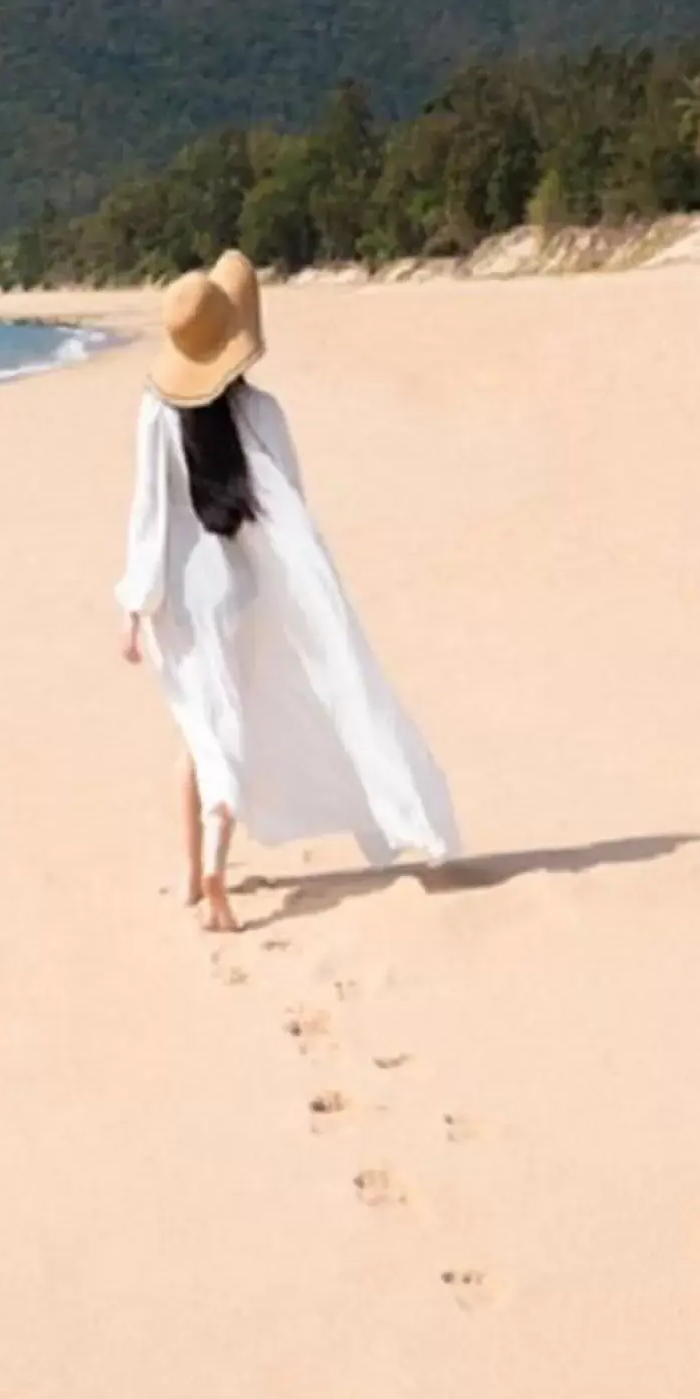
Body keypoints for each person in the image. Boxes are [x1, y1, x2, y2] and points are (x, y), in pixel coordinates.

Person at [115, 250, 458, 933]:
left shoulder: (156, 414)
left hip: (181, 599)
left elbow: (148, 517)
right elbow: (289, 508)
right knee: (226, 726)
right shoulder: (262, 413)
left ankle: (197, 871)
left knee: (198, 730)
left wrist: (133, 606)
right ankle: (209, 858)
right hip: (240, 591)